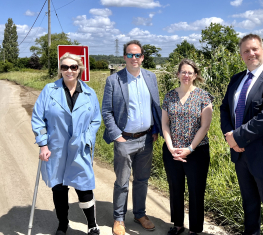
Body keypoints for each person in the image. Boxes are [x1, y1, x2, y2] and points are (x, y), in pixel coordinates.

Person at [220, 34, 263, 235]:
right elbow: (225, 108)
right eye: (246, 51)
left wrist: (238, 137)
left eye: (254, 49)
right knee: (249, 206)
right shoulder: (236, 79)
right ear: (241, 55)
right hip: (240, 154)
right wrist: (229, 135)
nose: (251, 54)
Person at [31, 53, 102, 235]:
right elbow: (38, 118)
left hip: (80, 148)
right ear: (60, 70)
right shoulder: (49, 90)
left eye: (73, 67)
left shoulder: (89, 93)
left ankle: (92, 224)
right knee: (59, 188)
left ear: (79, 69)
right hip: (56, 148)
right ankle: (63, 224)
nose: (69, 70)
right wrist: (43, 145)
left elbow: (96, 120)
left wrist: (87, 139)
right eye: (65, 67)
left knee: (84, 186)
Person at [101, 40, 162, 235]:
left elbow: (155, 106)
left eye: (137, 55)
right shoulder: (114, 80)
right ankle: (119, 218)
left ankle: (139, 214)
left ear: (142, 57)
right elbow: (107, 111)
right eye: (130, 54)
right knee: (122, 182)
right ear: (124, 57)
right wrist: (117, 136)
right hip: (124, 139)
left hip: (146, 139)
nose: (134, 58)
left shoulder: (151, 77)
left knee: (142, 180)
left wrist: (155, 130)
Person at [162, 59, 213, 235]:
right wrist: (170, 147)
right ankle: (177, 224)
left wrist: (190, 148)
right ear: (177, 74)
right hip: (172, 151)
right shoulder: (169, 96)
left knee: (196, 190)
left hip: (197, 151)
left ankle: (195, 229)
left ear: (195, 75)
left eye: (190, 72)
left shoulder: (203, 96)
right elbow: (165, 124)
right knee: (175, 188)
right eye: (183, 72)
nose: (186, 75)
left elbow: (204, 126)